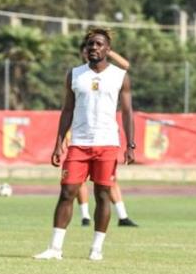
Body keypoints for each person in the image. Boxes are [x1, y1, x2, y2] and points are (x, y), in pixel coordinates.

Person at [35, 27, 135, 261]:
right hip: (79, 144)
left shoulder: (120, 76)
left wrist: (131, 145)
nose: (94, 48)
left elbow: (128, 111)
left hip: (107, 143)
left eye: (99, 44)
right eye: (91, 44)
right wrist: (59, 143)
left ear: (108, 49)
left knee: (102, 195)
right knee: (67, 191)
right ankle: (55, 248)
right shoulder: (75, 74)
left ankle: (96, 248)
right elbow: (67, 110)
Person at [71, 46, 138, 228]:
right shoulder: (79, 75)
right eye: (86, 50)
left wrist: (109, 52)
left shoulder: (111, 74)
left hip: (105, 137)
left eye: (97, 46)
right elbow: (68, 108)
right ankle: (85, 215)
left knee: (109, 181)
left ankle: (122, 216)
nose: (91, 51)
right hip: (81, 135)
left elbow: (126, 66)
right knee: (77, 181)